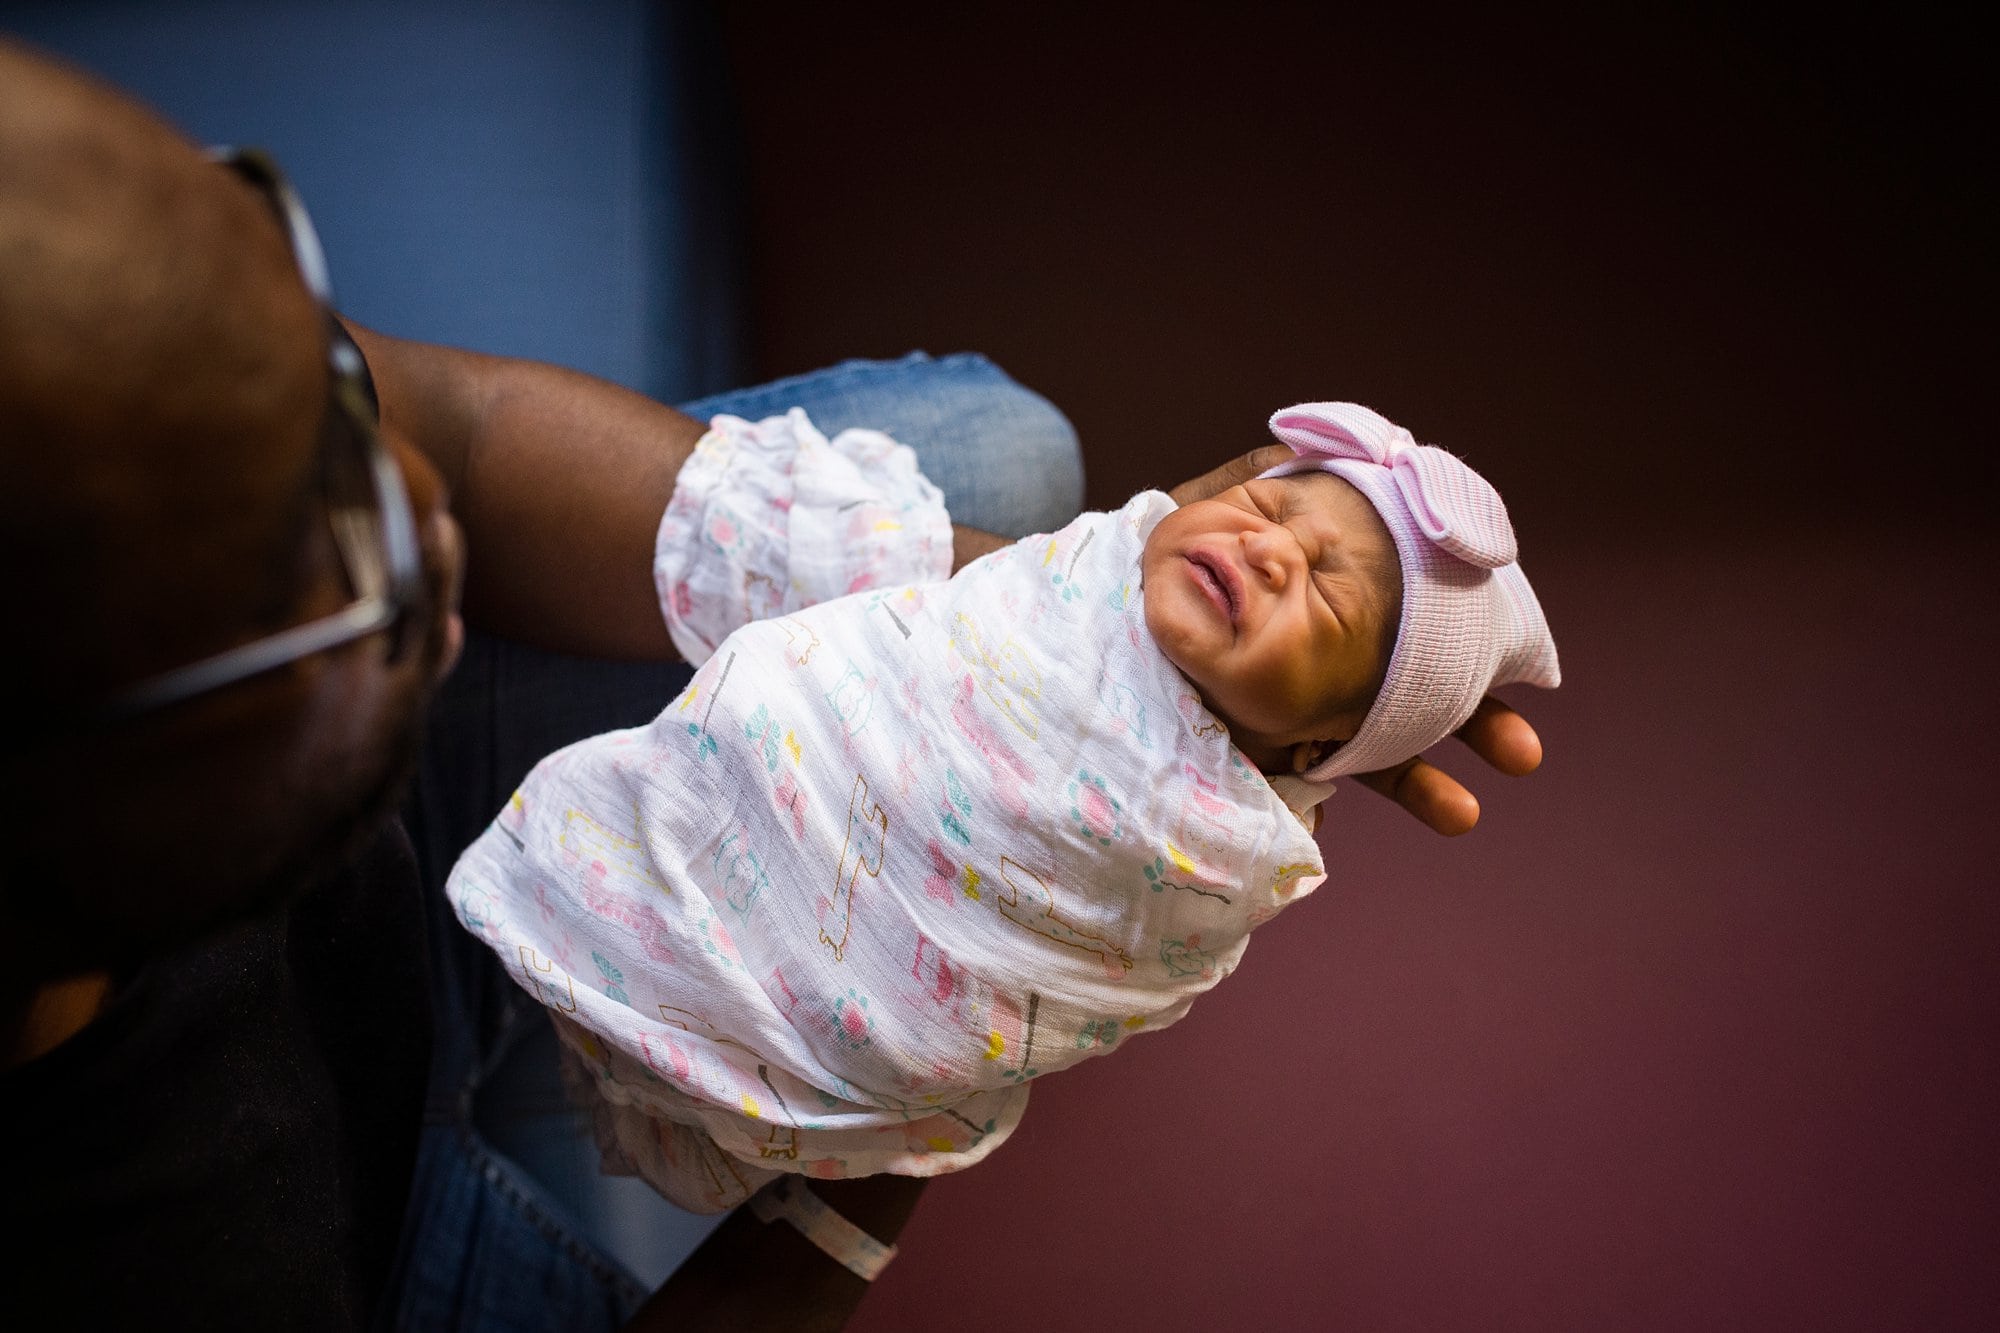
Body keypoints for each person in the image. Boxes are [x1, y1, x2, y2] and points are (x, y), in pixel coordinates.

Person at [0, 38, 1546, 1332]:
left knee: (1008, 456)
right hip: (379, 1236)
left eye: (325, 393)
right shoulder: (172, 1252)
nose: (418, 488)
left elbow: (456, 427)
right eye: (334, 557)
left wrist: (1066, 650)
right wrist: (932, 1076)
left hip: (364, 883)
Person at [443, 401, 1558, 1216]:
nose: (1267, 551)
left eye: (1323, 593)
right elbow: (981, 620)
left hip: (807, 1020)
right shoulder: (1089, 571)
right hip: (756, 795)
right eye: (1269, 506)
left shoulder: (1216, 851)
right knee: (1023, 444)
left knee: (1010, 435)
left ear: (1313, 749)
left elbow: (1063, 960)